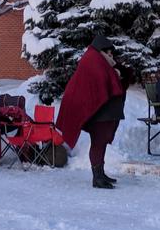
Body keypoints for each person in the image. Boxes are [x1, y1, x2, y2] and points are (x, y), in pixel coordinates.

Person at [57, 34, 133, 189]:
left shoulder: (103, 62)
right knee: (98, 143)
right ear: (101, 50)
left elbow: (113, 82)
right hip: (99, 113)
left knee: (102, 143)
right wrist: (117, 74)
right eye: (109, 53)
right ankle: (97, 178)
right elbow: (101, 82)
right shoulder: (93, 60)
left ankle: (101, 173)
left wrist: (119, 73)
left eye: (112, 53)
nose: (111, 56)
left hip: (105, 112)